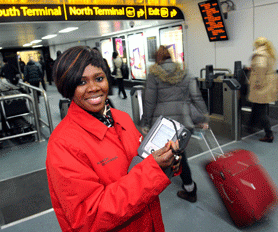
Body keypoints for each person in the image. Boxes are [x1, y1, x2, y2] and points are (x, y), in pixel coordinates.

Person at [46, 46, 181, 231]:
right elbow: (88, 216)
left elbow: (142, 166)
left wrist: (169, 161)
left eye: (99, 78)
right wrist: (153, 170)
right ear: (68, 87)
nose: (94, 88)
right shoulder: (63, 144)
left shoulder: (121, 118)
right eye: (81, 82)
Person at [140, 45, 209, 203]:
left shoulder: (153, 75)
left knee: (166, 154)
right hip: (183, 121)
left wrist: (145, 122)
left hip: (164, 123)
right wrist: (203, 117)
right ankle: (188, 186)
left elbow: (149, 102)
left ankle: (189, 188)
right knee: (179, 154)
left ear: (157, 58)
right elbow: (196, 96)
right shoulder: (184, 72)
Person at [247, 37, 278, 142]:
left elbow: (261, 68)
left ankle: (269, 134)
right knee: (256, 106)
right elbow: (265, 67)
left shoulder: (260, 54)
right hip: (268, 84)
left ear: (257, 44)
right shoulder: (269, 53)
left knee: (261, 110)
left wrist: (257, 83)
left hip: (262, 85)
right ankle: (251, 127)